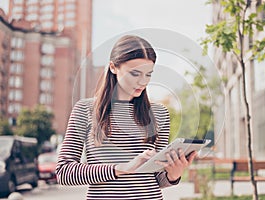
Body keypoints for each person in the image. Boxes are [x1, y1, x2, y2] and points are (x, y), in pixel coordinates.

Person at [56, 35, 197, 200]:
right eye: (135, 73)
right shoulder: (84, 110)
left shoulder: (159, 113)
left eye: (148, 74)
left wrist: (173, 175)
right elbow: (64, 172)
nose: (142, 82)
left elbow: (157, 179)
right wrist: (122, 168)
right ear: (113, 67)